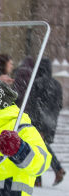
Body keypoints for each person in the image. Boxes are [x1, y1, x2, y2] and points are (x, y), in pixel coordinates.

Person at [26, 57, 66, 186]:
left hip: (39, 122)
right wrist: (51, 120)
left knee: (37, 148)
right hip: (51, 121)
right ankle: (55, 171)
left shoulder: (37, 83)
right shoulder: (57, 84)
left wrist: (37, 124)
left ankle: (48, 174)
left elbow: (34, 105)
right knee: (41, 147)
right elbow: (59, 105)